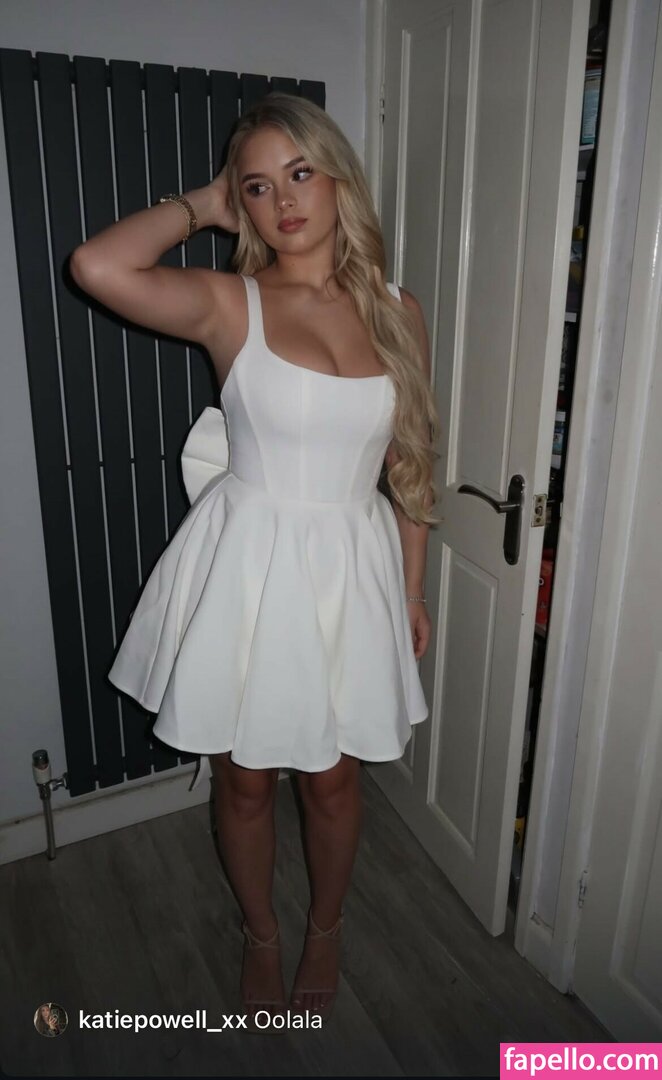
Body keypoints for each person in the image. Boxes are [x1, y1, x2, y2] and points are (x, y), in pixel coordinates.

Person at [70, 92, 441, 1030]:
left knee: (334, 779)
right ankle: (262, 932)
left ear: (340, 179)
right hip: (251, 566)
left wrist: (412, 589)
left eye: (301, 174)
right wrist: (205, 203)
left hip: (351, 570)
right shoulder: (228, 302)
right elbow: (96, 265)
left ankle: (326, 924)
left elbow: (413, 462)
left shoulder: (398, 310)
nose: (283, 201)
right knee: (243, 780)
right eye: (260, 186)